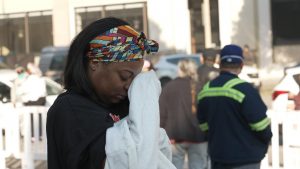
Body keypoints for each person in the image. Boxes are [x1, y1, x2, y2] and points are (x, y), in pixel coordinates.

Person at [46, 17, 160, 169]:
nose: (129, 86)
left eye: (136, 79)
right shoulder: (71, 108)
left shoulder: (124, 104)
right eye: (124, 77)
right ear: (95, 63)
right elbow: (119, 161)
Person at [197, 44, 272, 169]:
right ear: (241, 65)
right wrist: (264, 143)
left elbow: (204, 126)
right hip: (246, 159)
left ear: (220, 64)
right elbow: (261, 126)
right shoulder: (245, 90)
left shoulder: (206, 90)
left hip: (218, 158)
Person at [160, 59, 209, 169]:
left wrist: (159, 134)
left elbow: (161, 114)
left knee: (174, 166)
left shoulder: (169, 87)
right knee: (198, 166)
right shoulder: (201, 87)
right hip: (199, 137)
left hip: (174, 137)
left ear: (179, 70)